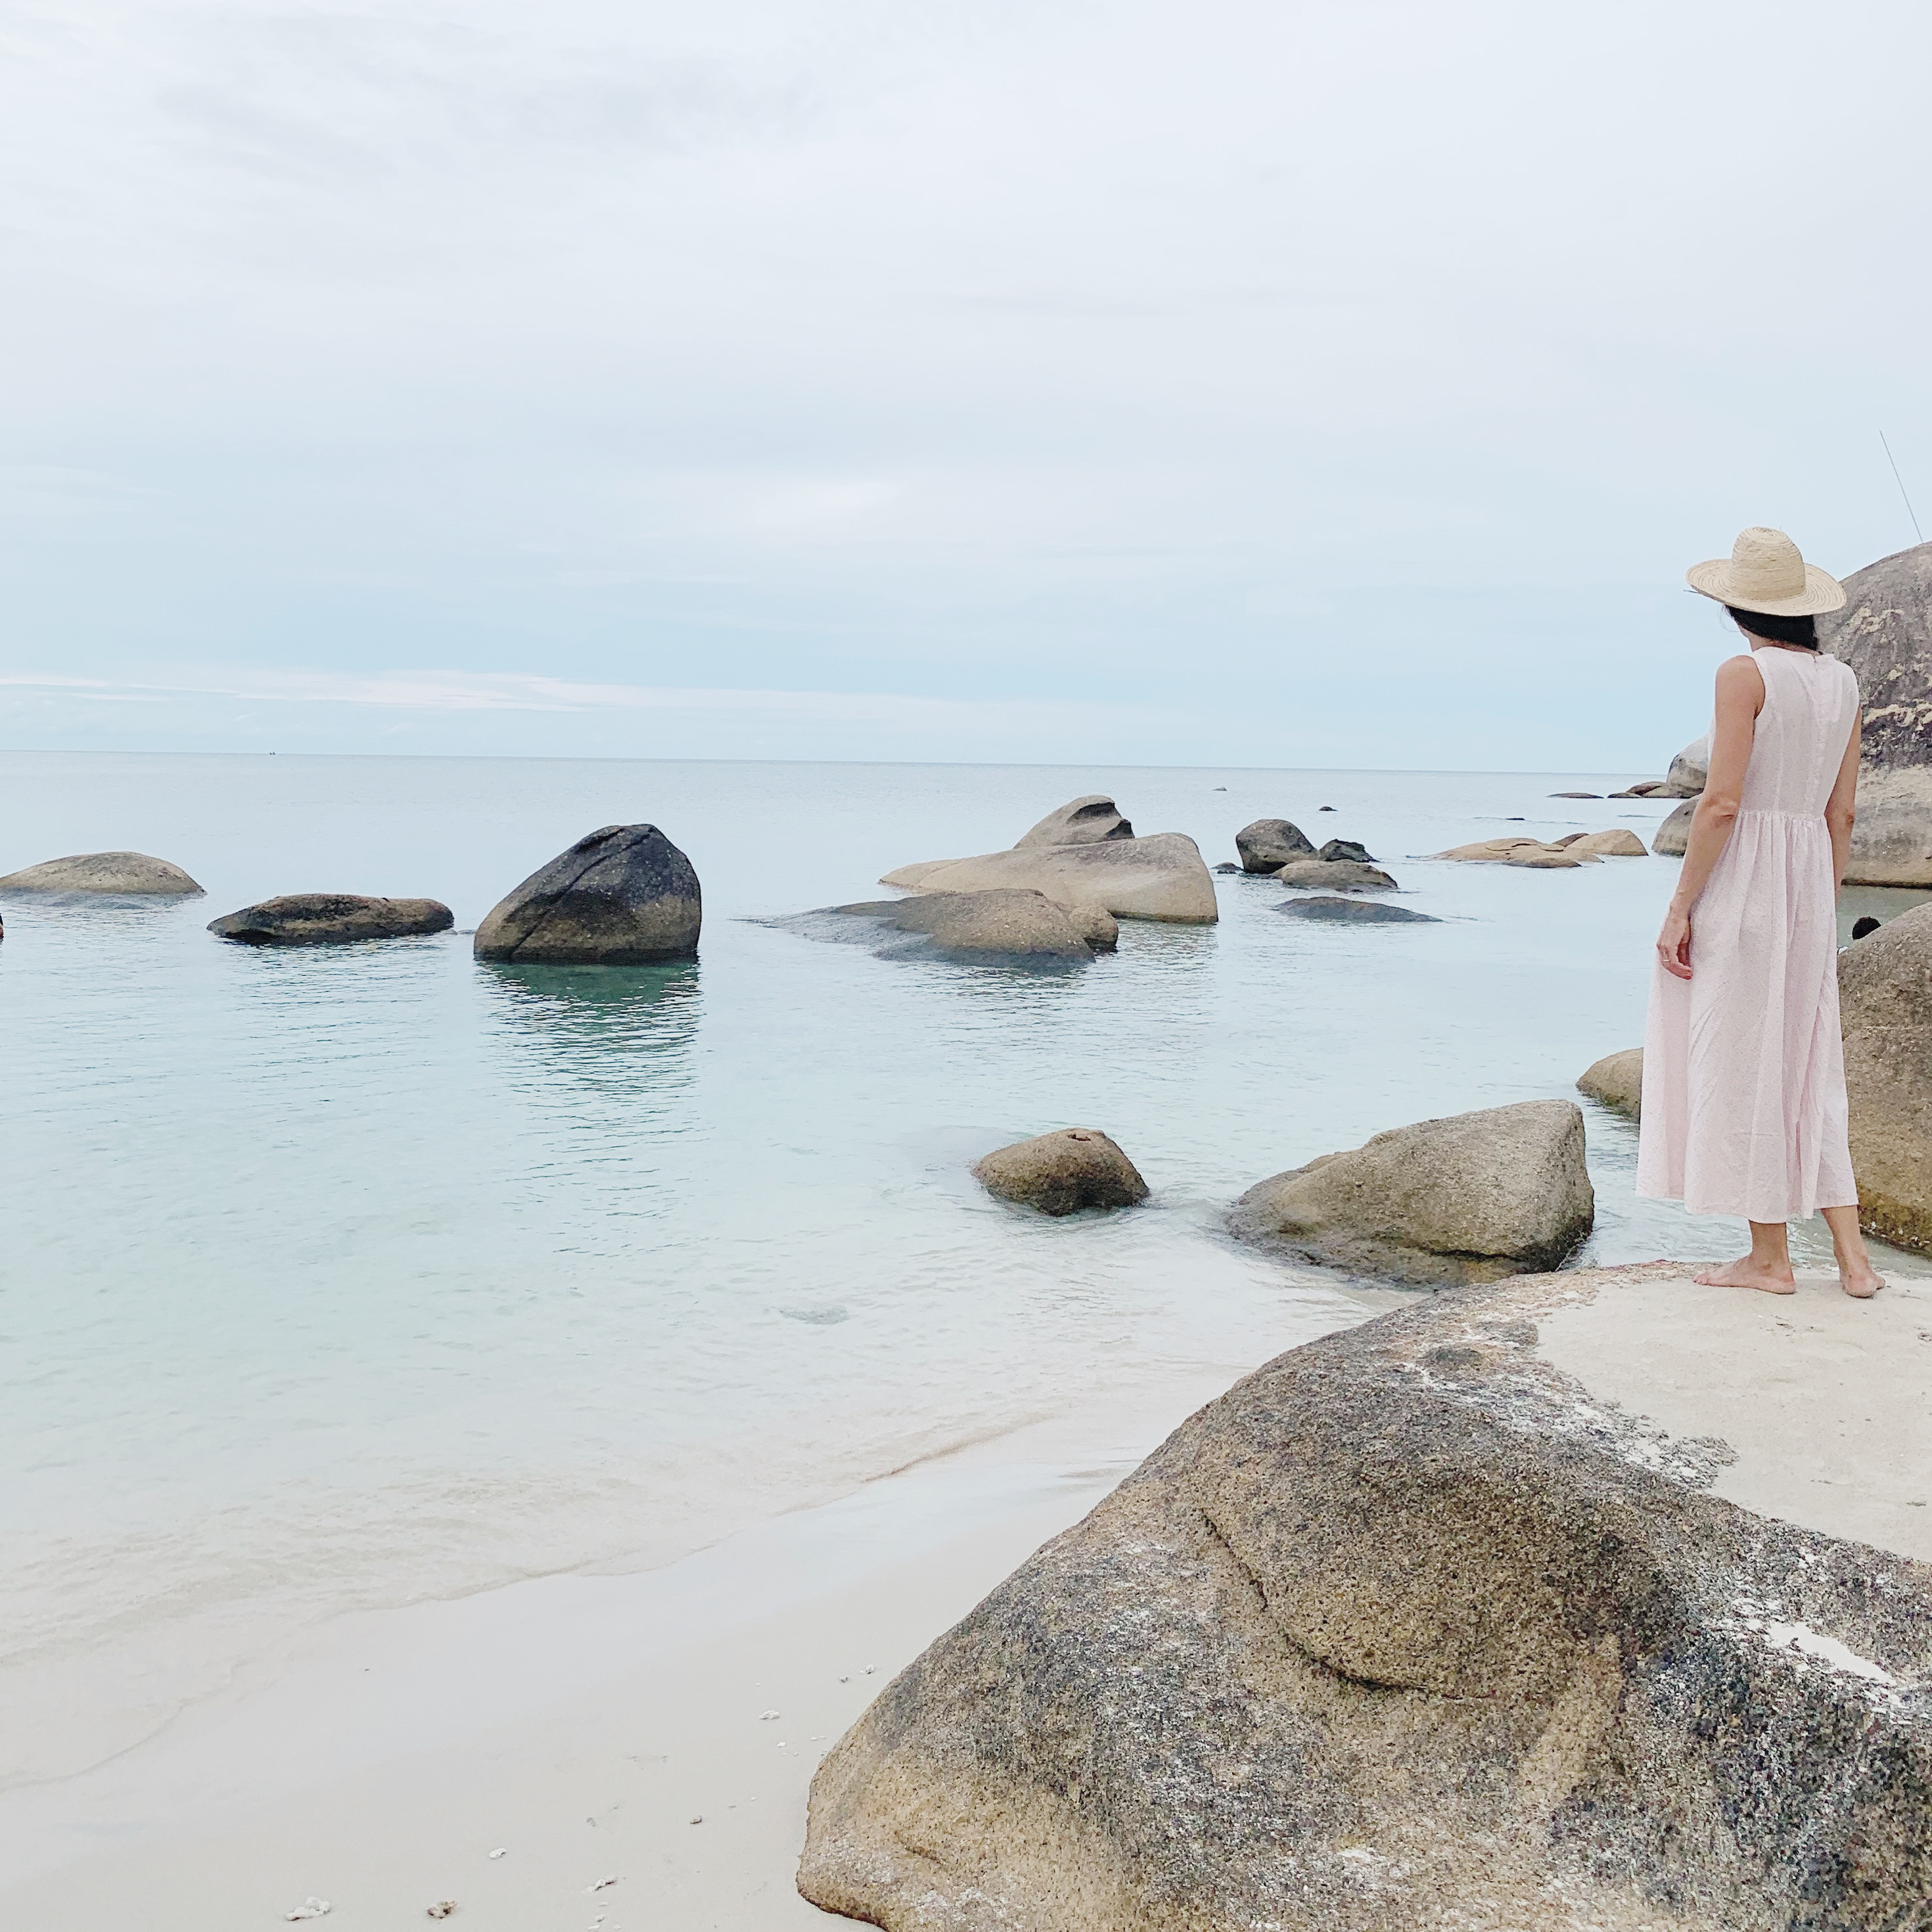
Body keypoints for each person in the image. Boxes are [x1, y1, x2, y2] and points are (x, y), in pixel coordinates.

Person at [1636, 526, 1885, 1299]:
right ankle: (1855, 1262)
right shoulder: (1843, 681)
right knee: (1813, 1066)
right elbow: (1842, 814)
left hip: (1745, 883)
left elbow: (1721, 804)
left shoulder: (1744, 674)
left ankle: (1770, 1259)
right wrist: (1821, 900)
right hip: (1809, 881)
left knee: (1746, 1062)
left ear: (1735, 605)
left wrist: (1681, 907)